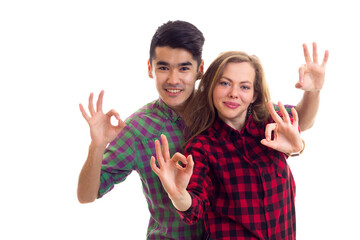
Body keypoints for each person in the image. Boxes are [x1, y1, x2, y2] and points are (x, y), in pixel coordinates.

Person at [77, 19, 328, 239]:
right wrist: (97, 146)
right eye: (163, 67)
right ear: (150, 68)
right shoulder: (138, 130)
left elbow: (295, 123)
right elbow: (87, 195)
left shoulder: (226, 104)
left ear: (199, 70)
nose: (173, 79)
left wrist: (313, 94)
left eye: (184, 68)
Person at [150, 50, 327, 239]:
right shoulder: (202, 147)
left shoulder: (270, 123)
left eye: (244, 87)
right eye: (225, 83)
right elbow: (194, 210)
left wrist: (313, 91)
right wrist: (178, 196)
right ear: (211, 87)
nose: (234, 93)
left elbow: (304, 120)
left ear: (254, 94)